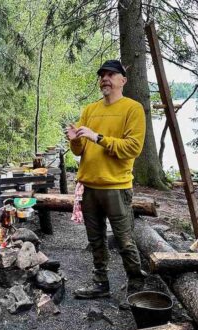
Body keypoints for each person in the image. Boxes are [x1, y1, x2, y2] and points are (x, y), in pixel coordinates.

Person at [66, 59, 146, 308]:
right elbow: (79, 151)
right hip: (89, 187)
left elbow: (132, 147)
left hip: (117, 187)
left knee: (124, 240)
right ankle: (100, 283)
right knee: (96, 240)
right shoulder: (90, 110)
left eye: (111, 74)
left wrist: (98, 137)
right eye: (102, 75)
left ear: (123, 80)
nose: (105, 78)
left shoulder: (133, 109)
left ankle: (136, 286)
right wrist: (75, 140)